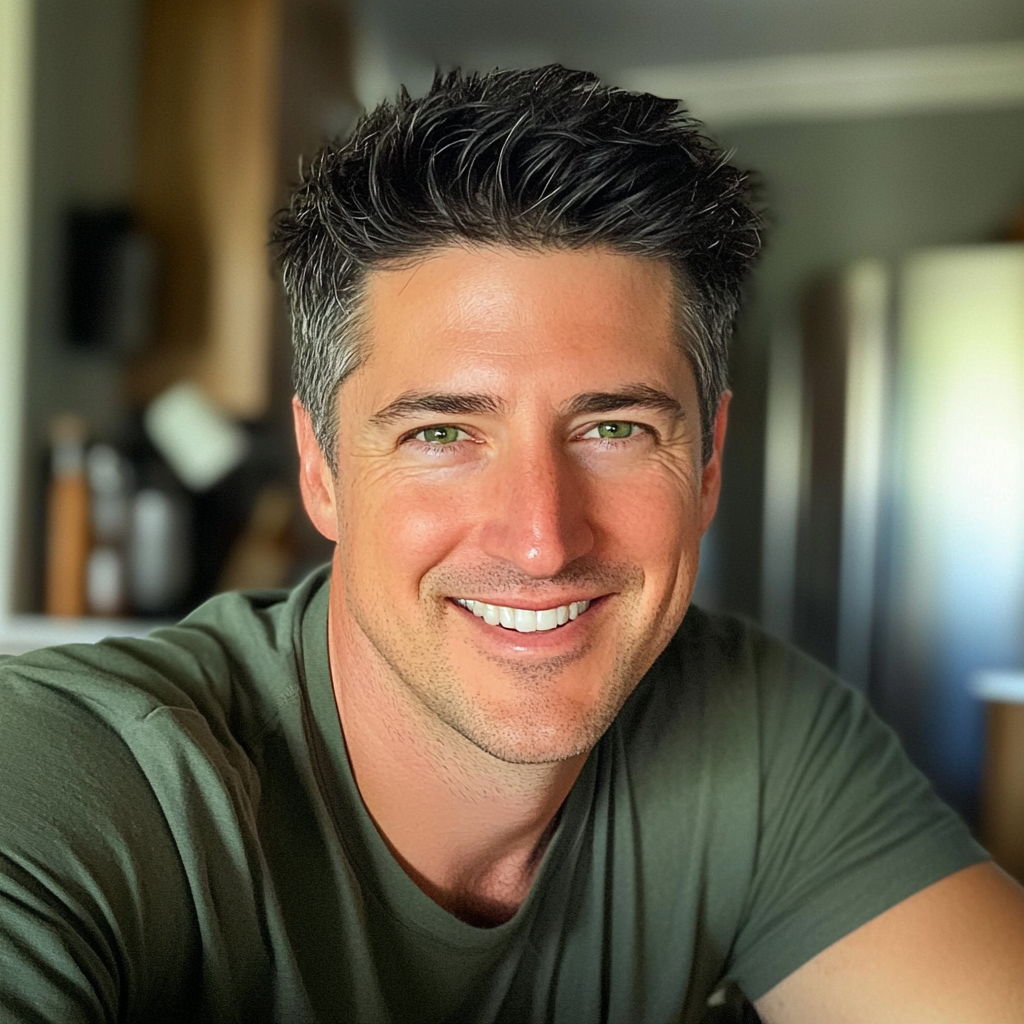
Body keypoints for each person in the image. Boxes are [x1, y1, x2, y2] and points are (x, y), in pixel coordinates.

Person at [2, 65, 1023, 1024]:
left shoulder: (766, 739)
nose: (540, 540)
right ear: (321, 469)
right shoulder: (79, 780)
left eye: (613, 428)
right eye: (441, 433)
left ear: (706, 461)